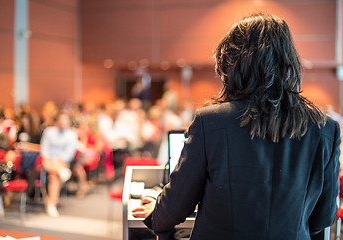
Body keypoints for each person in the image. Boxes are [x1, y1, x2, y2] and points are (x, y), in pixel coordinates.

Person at [132, 12, 341, 239]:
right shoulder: (325, 128)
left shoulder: (209, 122)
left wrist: (156, 211)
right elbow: (323, 217)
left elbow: (176, 206)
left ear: (231, 65)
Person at [40, 112, 78, 217]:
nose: (62, 124)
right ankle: (52, 204)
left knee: (54, 177)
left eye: (65, 121)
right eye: (61, 121)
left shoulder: (72, 135)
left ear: (68, 123)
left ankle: (51, 203)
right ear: (57, 122)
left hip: (62, 162)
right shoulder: (48, 131)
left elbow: (69, 154)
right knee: (57, 173)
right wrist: (49, 160)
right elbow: (44, 149)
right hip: (47, 161)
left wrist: (57, 163)